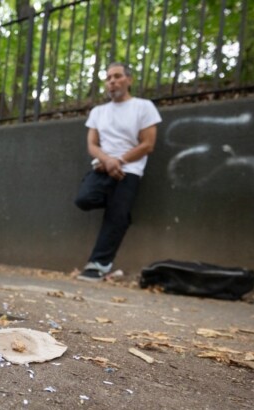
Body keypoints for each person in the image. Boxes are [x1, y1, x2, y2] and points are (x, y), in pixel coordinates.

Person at [75, 62, 162, 281]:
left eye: (117, 76)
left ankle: (98, 265)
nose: (112, 81)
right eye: (108, 78)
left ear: (129, 80)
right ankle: (121, 210)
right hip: (102, 167)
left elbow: (148, 144)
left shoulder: (144, 107)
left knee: (116, 216)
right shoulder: (98, 112)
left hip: (129, 170)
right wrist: (107, 161)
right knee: (84, 199)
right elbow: (92, 144)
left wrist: (119, 161)